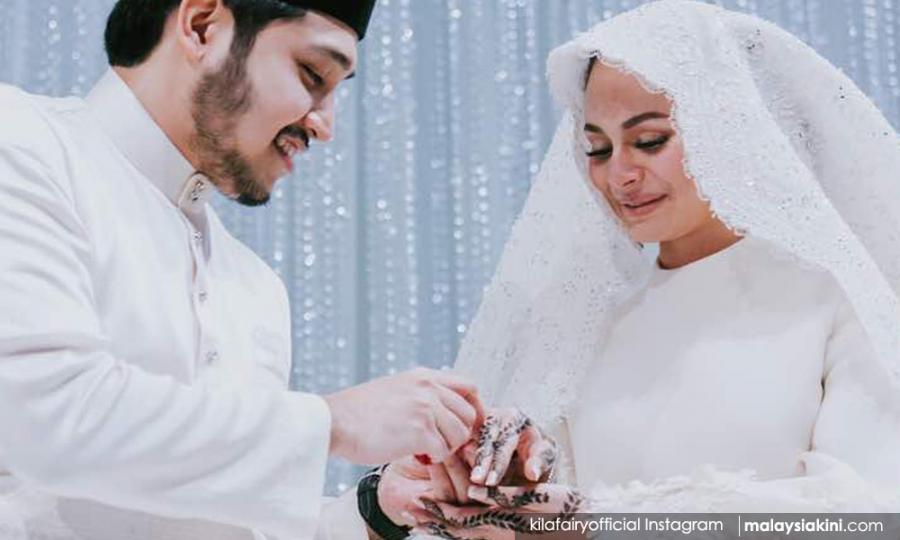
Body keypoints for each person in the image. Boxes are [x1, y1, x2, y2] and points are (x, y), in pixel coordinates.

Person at [399, 1, 900, 538]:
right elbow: (553, 514)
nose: (619, 174)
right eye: (597, 148)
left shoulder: (838, 300)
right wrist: (508, 495)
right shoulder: (584, 324)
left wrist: (598, 521)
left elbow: (867, 517)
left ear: (730, 128)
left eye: (649, 141)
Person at [0, 1, 485, 539]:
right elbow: (42, 418)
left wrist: (379, 510)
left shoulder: (254, 286)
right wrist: (337, 423)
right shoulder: (20, 142)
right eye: (313, 74)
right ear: (202, 25)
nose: (325, 125)